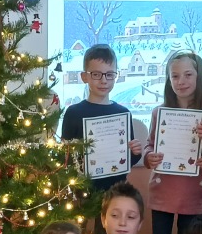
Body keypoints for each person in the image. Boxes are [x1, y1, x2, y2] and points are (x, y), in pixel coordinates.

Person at [142, 51, 202, 234]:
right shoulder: (159, 112)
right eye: (175, 76)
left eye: (188, 75)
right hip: (162, 192)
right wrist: (148, 157)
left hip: (193, 193)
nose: (181, 81)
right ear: (168, 80)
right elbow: (150, 144)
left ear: (199, 77)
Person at [59, 43, 143, 194]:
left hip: (116, 192)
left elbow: (126, 161)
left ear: (116, 76)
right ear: (84, 77)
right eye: (96, 74)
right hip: (84, 193)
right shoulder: (73, 113)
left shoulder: (123, 114)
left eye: (109, 74)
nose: (104, 81)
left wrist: (135, 152)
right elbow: (65, 157)